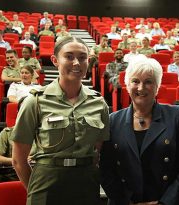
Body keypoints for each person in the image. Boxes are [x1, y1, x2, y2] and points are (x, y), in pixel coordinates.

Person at [12, 36, 109, 204]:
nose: (77, 63)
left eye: (82, 57)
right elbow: (18, 160)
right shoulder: (35, 101)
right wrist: (35, 192)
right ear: (55, 60)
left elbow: (96, 152)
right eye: (69, 57)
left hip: (86, 182)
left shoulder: (99, 104)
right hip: (46, 181)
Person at [100, 55, 179, 204]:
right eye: (135, 81)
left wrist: (164, 203)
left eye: (148, 82)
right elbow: (106, 169)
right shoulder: (113, 120)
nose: (141, 88)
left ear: (157, 87)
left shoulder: (176, 115)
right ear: (127, 85)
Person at [0, 122, 37, 205]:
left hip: (35, 174)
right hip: (12, 173)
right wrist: (18, 160)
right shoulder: (7, 133)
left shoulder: (42, 134)